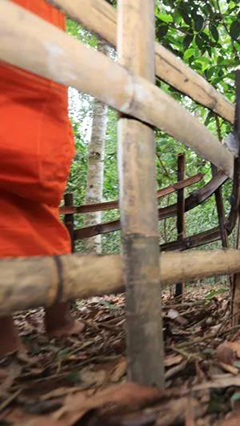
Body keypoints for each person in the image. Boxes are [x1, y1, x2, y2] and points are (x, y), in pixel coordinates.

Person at [0, 0, 83, 356]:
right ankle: (56, 321)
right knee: (37, 207)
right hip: (33, 55)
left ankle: (8, 336)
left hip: (31, 60)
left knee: (28, 206)